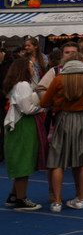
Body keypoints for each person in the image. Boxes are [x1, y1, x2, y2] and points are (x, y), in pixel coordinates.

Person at [40, 55, 83, 212]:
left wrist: (59, 100)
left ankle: (56, 202)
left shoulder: (59, 79)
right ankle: (80, 199)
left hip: (64, 119)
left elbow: (44, 102)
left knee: (57, 160)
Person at [3, 57, 44, 211]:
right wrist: (43, 107)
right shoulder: (24, 85)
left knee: (21, 159)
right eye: (31, 66)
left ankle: (14, 195)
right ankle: (21, 198)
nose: (33, 69)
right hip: (22, 125)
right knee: (23, 160)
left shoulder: (16, 85)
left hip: (17, 124)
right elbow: (27, 109)